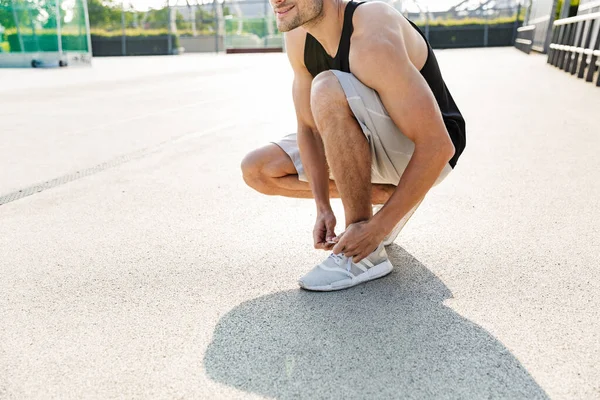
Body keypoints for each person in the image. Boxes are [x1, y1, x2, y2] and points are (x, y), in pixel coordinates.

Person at [241, 0, 466, 291]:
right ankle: (387, 197)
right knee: (258, 169)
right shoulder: (298, 33)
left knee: (327, 88)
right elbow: (309, 129)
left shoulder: (371, 31)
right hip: (371, 142)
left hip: (421, 152)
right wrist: (322, 206)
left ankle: (364, 253)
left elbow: (437, 145)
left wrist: (378, 229)